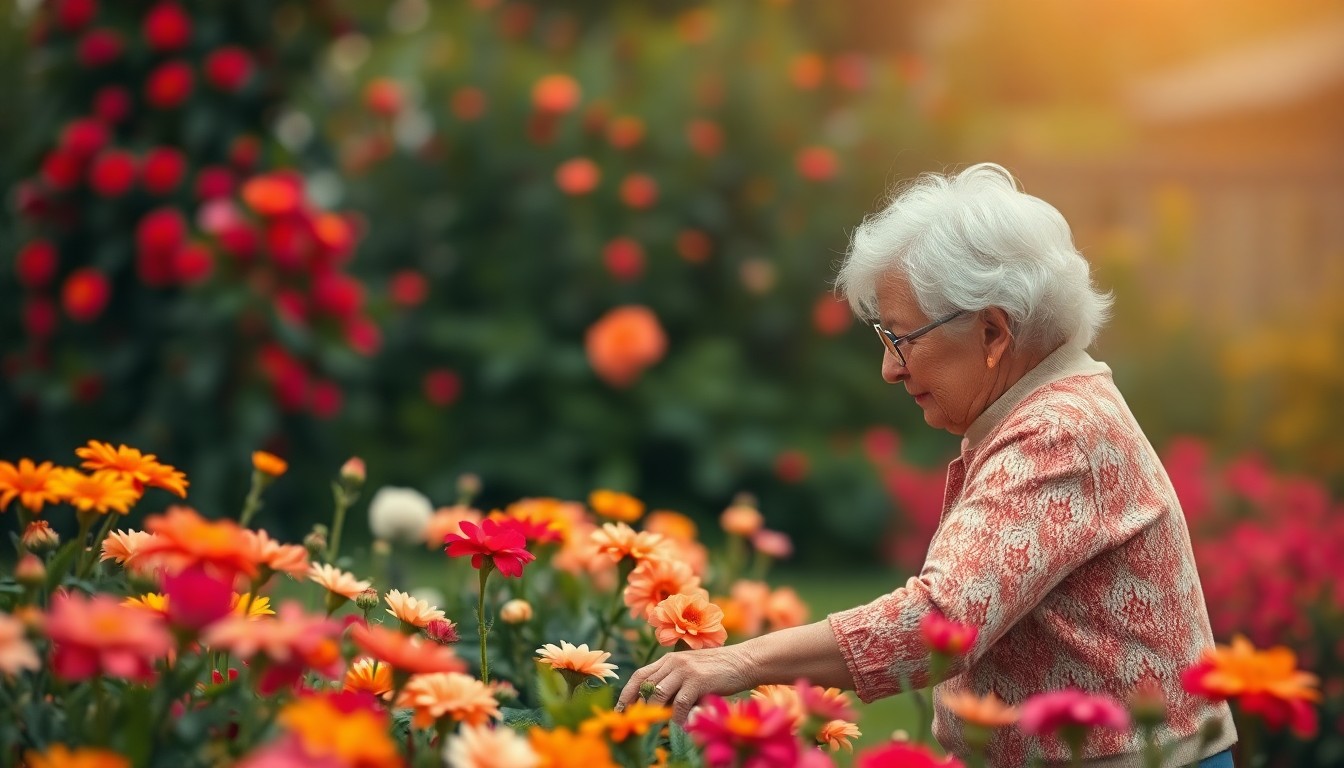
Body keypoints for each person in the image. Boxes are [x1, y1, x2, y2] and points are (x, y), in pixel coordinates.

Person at [617, 163, 1236, 766]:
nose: (889, 368)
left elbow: (939, 622)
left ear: (993, 332)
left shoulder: (1058, 432)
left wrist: (734, 663)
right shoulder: (1054, 409)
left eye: (902, 338)